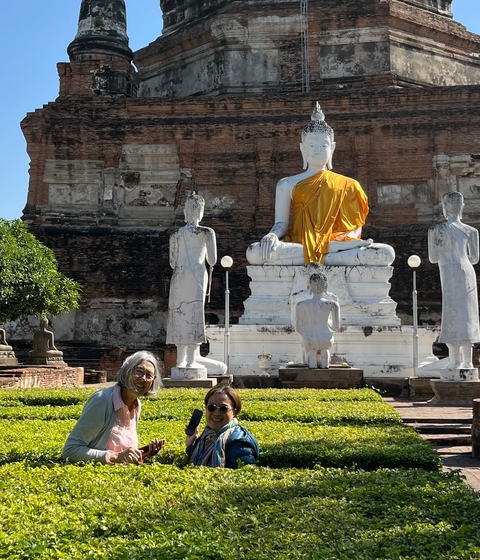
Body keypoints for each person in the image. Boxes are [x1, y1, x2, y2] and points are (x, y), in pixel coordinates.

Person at [246, 102, 394, 267]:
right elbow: (282, 223)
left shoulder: (349, 185)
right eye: (311, 145)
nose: (317, 150)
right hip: (300, 245)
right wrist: (272, 235)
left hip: (338, 244)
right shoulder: (286, 184)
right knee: (254, 253)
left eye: (323, 145)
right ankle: (328, 253)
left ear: (332, 148)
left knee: (385, 253)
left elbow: (353, 228)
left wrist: (345, 241)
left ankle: (329, 250)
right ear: (302, 149)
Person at [62, 351, 164, 464]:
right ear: (127, 371)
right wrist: (115, 456)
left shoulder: (136, 405)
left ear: (153, 382)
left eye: (149, 375)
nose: (143, 378)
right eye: (139, 371)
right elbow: (70, 451)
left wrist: (142, 454)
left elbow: (121, 454)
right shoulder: (102, 400)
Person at [428, 191, 480, 370]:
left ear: (444, 207)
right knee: (468, 314)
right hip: (467, 272)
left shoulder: (435, 230)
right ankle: (467, 362)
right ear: (461, 207)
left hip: (449, 271)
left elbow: (433, 257)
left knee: (452, 313)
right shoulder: (471, 231)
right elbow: (474, 258)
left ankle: (455, 360)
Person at [166, 193, 217, 370]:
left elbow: (172, 263)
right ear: (201, 212)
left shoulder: (175, 235)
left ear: (185, 212)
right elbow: (212, 260)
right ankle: (191, 360)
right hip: (196, 273)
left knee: (180, 315)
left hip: (180, 275)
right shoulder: (207, 232)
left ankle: (181, 360)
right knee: (195, 314)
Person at [185, 385, 259, 468]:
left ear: (234, 411)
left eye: (223, 408)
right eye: (211, 407)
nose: (216, 413)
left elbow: (246, 474)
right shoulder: (206, 436)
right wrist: (190, 445)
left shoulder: (239, 443)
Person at [295, 272, 341, 369]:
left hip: (309, 339)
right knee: (326, 347)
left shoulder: (300, 304)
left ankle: (312, 356)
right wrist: (327, 322)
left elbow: (299, 328)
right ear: (326, 286)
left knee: (310, 349)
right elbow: (336, 327)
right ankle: (325, 357)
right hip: (326, 338)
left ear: (310, 286)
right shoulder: (333, 304)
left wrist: (307, 332)